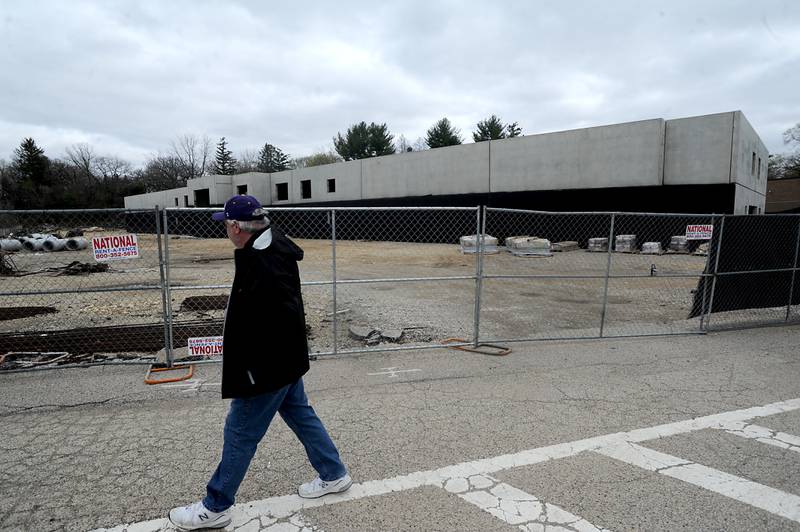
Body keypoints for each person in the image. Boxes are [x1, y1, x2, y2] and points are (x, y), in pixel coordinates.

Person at [169, 195, 351, 531]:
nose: (224, 228)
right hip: (286, 359)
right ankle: (334, 473)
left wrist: (252, 369)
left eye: (225, 223)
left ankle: (216, 505)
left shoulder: (263, 263)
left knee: (240, 431)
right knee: (300, 413)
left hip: (267, 366)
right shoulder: (268, 248)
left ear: (236, 227)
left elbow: (276, 318)